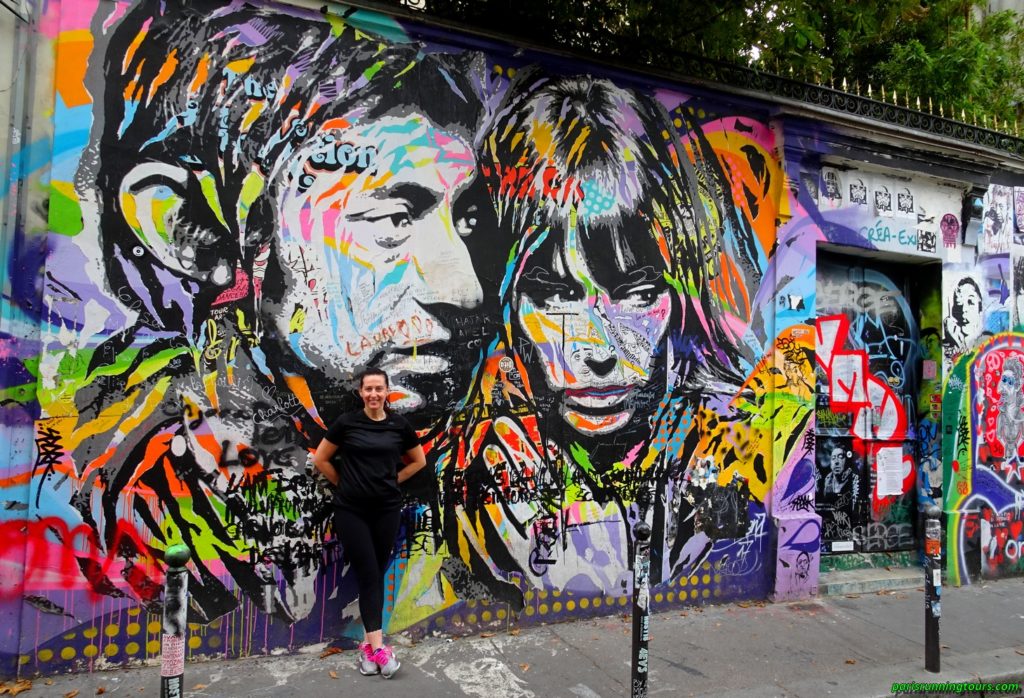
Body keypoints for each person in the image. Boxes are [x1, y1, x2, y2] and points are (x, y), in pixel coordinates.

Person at [53, 0, 494, 629]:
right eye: (393, 219)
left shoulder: (469, 459)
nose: (467, 288)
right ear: (189, 228)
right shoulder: (134, 503)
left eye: (466, 220)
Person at [436, 70, 771, 606]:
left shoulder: (725, 450)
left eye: (636, 295)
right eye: (554, 296)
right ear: (505, 300)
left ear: (681, 301)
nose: (597, 350)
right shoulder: (474, 467)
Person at [312, 368, 426, 678]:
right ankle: (378, 648)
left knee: (375, 574)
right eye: (368, 389)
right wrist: (344, 484)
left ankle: (367, 647)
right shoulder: (347, 424)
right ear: (361, 393)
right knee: (367, 572)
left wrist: (393, 480)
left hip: (387, 509)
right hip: (352, 510)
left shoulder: (398, 426)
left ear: (387, 392)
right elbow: (321, 459)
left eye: (379, 388)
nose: (373, 394)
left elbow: (419, 461)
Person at [943, 277, 983, 356]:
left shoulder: (988, 343)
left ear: (980, 307)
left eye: (970, 302)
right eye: (959, 304)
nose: (964, 309)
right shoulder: (945, 348)